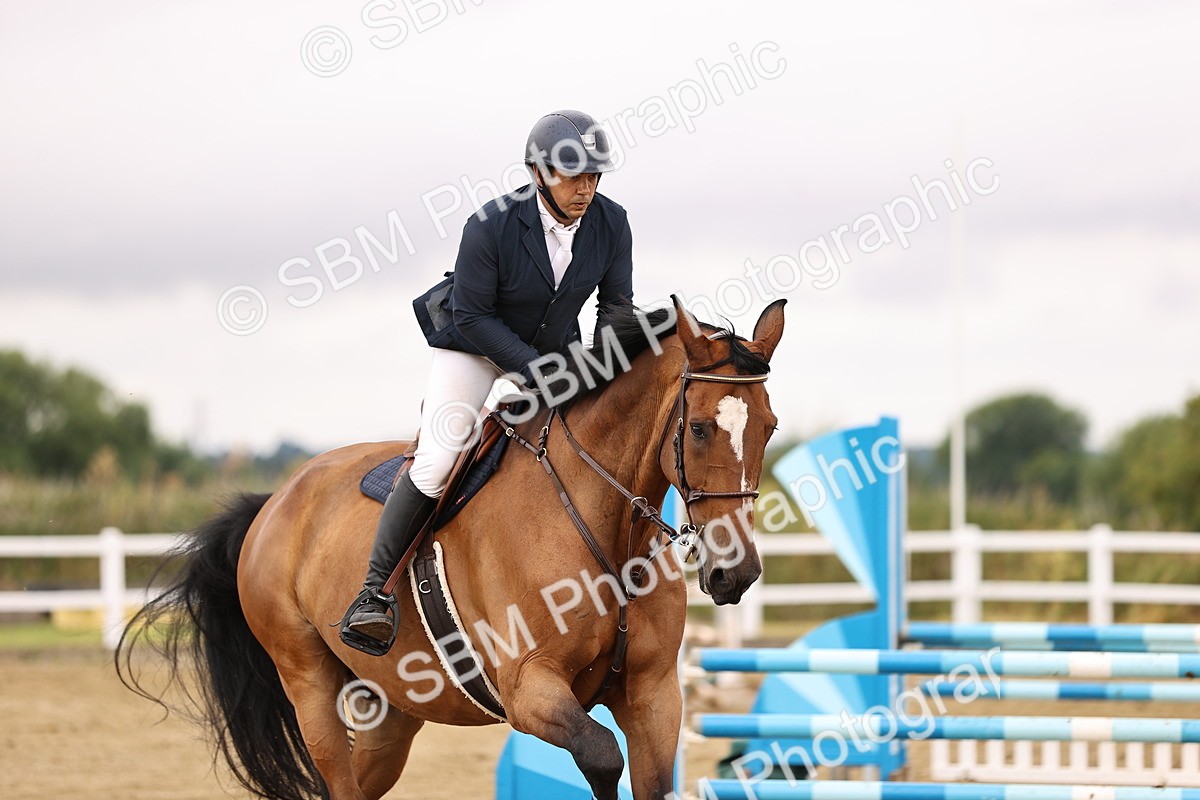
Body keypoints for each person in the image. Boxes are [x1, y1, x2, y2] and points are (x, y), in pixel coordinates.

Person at [341, 110, 635, 654]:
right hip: (474, 348)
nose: (585, 188)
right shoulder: (490, 225)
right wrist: (536, 370)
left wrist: (607, 373)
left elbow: (615, 309)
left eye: (593, 176)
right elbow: (473, 316)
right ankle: (373, 595)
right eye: (573, 176)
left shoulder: (612, 223)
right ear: (538, 172)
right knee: (438, 459)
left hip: (553, 347)